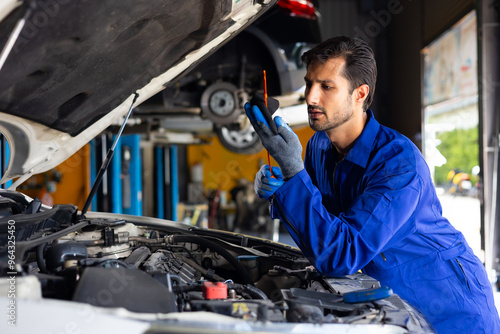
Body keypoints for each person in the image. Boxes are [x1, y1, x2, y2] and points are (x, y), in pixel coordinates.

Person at [244, 36, 500, 333]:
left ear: (360, 94)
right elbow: (320, 224)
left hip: (450, 308)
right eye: (309, 83)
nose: (311, 97)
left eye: (326, 86)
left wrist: (293, 170)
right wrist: (284, 187)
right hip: (393, 301)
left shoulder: (398, 163)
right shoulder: (318, 146)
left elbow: (342, 253)